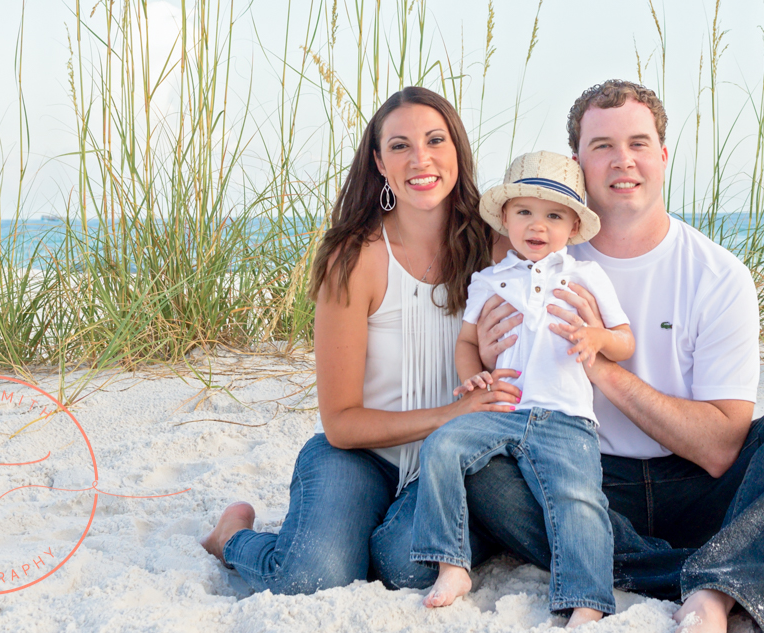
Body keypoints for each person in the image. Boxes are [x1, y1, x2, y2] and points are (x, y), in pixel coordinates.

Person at [464, 80, 764, 632]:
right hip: (584, 481)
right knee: (482, 472)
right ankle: (728, 575)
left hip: (702, 489)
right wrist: (485, 358)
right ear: (578, 162)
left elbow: (722, 447)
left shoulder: (717, 274)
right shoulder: (533, 263)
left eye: (638, 143)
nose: (622, 161)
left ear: (663, 155)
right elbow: (504, 405)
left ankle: (723, 570)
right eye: (601, 145)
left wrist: (600, 364)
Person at [199, 86, 523, 593]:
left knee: (406, 566)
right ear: (379, 162)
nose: (421, 159)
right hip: (359, 454)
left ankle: (368, 536)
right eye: (399, 146)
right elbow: (342, 423)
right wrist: (451, 414)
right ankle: (232, 537)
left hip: (448, 460)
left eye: (435, 140)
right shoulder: (354, 258)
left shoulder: (495, 245)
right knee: (315, 578)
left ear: (457, 150)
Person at [411, 152, 634, 627]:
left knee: (578, 498)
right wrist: (473, 375)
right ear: (506, 220)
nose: (538, 225)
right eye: (525, 212)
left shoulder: (586, 276)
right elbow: (468, 341)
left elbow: (624, 339)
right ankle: (453, 565)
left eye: (554, 215)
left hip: (566, 416)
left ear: (573, 226)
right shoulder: (488, 280)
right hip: (505, 407)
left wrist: (596, 339)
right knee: (442, 445)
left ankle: (587, 600)